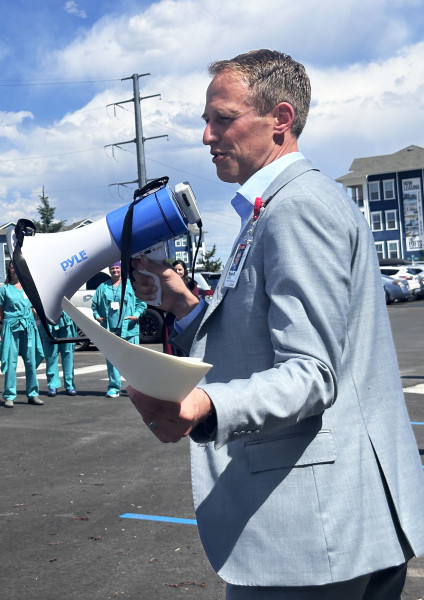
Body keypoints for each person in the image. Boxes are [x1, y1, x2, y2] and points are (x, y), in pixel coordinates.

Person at [129, 49, 424, 597]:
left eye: (223, 119)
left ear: (280, 120)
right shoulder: (277, 207)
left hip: (320, 533)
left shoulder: (297, 208)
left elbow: (312, 372)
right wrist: (183, 306)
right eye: (206, 120)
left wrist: (205, 406)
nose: (207, 135)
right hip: (336, 523)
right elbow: (256, 338)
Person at [91, 261, 146, 398]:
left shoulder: (131, 286)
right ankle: (114, 387)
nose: (115, 270)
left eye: (117, 268)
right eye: (112, 268)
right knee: (112, 359)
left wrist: (136, 315)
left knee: (133, 359)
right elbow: (94, 306)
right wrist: (97, 316)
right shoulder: (103, 287)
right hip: (110, 330)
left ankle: (136, 387)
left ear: (121, 269)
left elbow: (142, 303)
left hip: (129, 328)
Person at [0, 262, 43, 407]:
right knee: (11, 362)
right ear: (9, 270)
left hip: (28, 327)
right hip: (11, 328)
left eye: (17, 267)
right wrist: (9, 322)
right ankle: (9, 395)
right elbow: (0, 311)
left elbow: (35, 304)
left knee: (30, 361)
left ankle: (33, 394)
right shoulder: (5, 289)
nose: (15, 270)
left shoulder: (28, 288)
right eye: (12, 267)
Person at [160, 260, 198, 357]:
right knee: (173, 350)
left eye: (180, 269)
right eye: (175, 269)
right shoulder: (165, 283)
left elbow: (195, 301)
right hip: (172, 320)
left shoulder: (191, 283)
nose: (177, 272)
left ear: (184, 270)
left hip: (187, 320)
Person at [39, 311, 78, 397]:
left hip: (66, 320)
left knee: (68, 354)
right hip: (48, 320)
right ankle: (53, 385)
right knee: (51, 355)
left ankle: (69, 384)